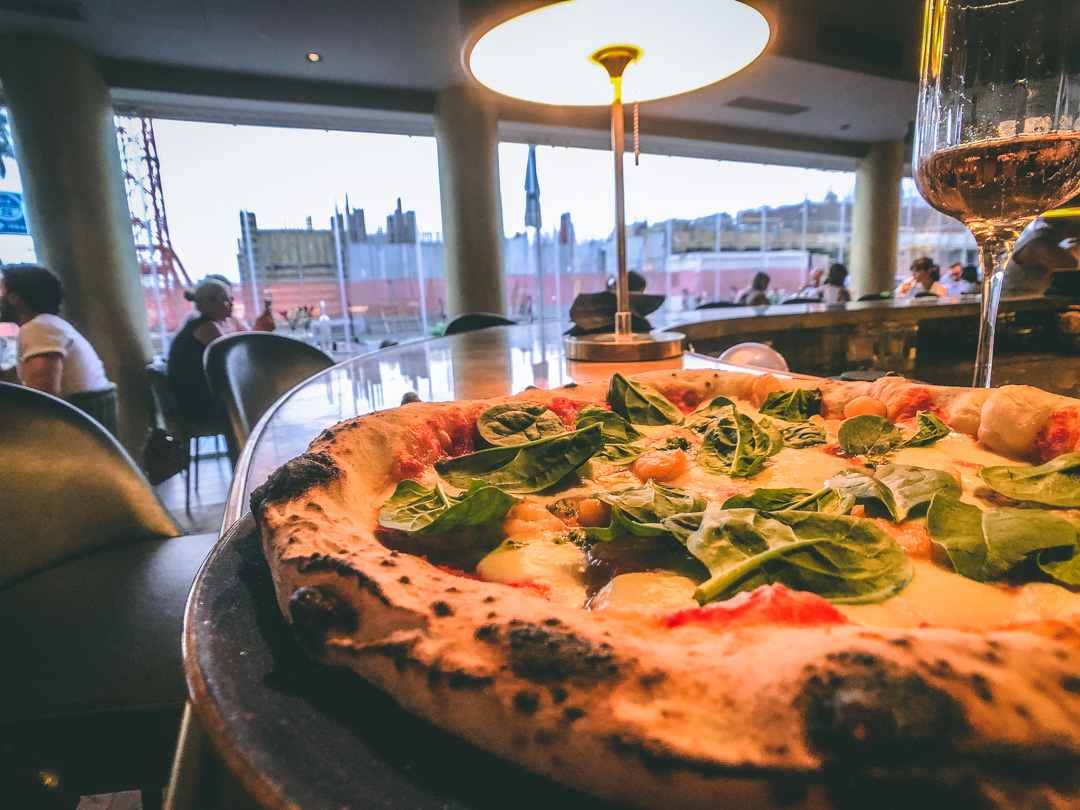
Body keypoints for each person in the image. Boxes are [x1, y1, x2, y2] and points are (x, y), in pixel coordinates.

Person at [0, 264, 110, 402]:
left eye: (1, 291)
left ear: (14, 297)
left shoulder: (38, 329)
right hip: (81, 413)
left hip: (71, 416)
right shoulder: (48, 324)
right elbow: (12, 380)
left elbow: (42, 399)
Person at [167, 277, 254, 427]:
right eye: (224, 299)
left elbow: (250, 340)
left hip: (204, 397)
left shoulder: (212, 322)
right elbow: (234, 358)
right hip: (200, 404)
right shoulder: (205, 327)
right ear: (207, 303)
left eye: (231, 299)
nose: (231, 303)